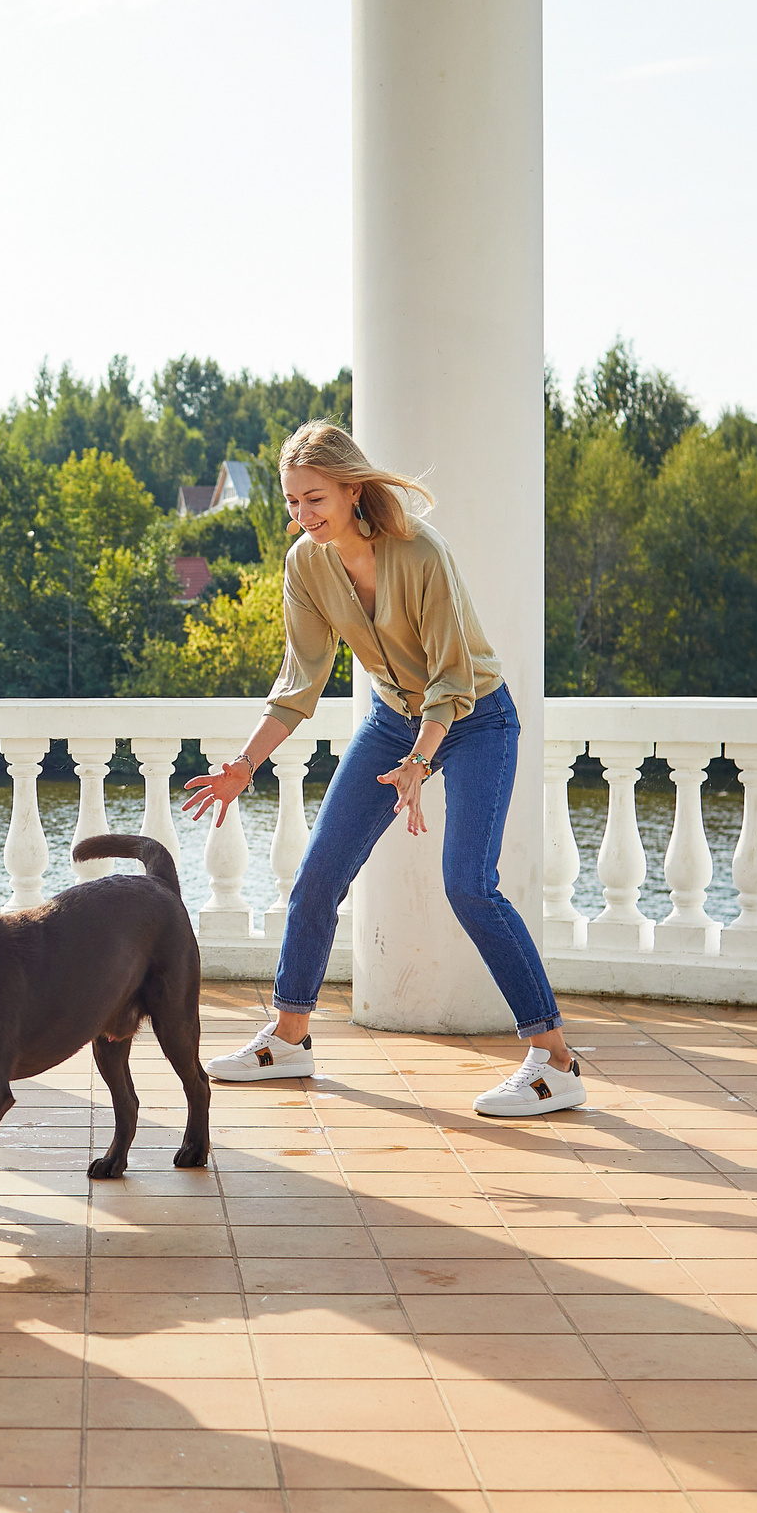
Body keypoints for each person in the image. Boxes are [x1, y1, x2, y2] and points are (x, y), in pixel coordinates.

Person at [182, 423, 583, 1117]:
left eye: (315, 499)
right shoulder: (306, 564)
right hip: (391, 722)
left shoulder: (420, 552)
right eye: (292, 502)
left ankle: (556, 1058)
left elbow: (454, 678)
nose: (303, 516)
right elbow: (299, 681)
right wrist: (244, 765)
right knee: (316, 878)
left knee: (469, 886)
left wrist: (419, 763)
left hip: (476, 718)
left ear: (351, 488)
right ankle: (289, 1038)